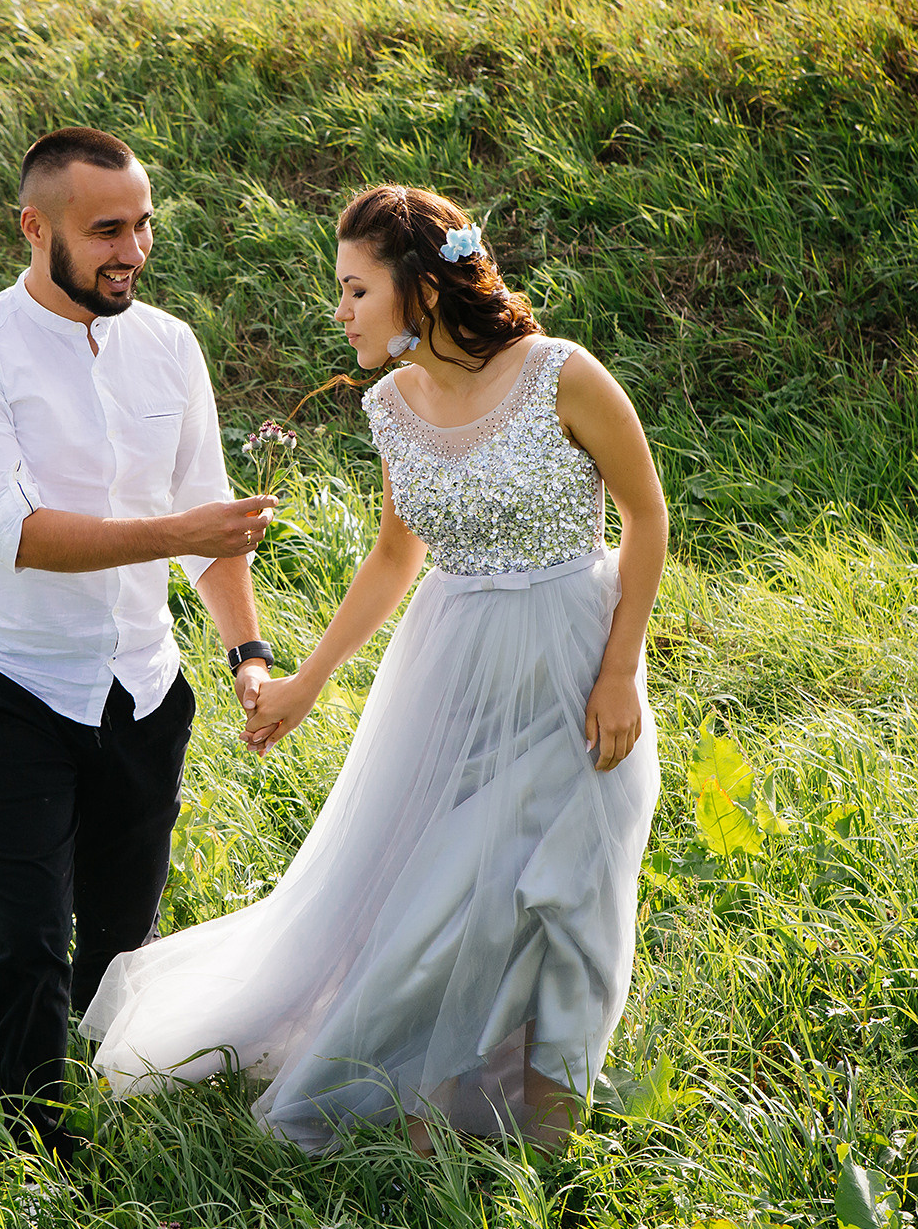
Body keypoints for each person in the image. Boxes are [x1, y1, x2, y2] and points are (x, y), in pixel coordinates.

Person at [80, 184, 667, 1156]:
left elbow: (645, 516)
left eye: (354, 289)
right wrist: (303, 681)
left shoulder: (561, 376)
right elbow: (395, 557)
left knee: (569, 884)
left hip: (576, 656)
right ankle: (426, 1092)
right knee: (445, 896)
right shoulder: (391, 406)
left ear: (419, 289)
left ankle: (545, 1131)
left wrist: (618, 672)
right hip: (454, 669)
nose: (339, 311)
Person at [0, 127, 281, 1160]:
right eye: (106, 229)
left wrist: (246, 652)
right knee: (31, 939)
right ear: (36, 228)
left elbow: (210, 517)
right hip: (12, 682)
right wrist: (179, 534)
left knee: (122, 943)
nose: (132, 249)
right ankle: (36, 1152)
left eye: (144, 225)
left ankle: (112, 1102)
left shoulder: (168, 345)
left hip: (145, 687)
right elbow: (18, 535)